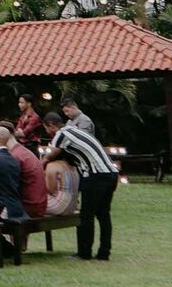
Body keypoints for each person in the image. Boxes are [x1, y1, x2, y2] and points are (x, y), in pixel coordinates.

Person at [44, 110, 118, 260]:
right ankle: (104, 252)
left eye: (46, 128)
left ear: (51, 125)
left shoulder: (62, 134)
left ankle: (84, 253)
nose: (47, 132)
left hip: (95, 175)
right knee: (103, 214)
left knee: (86, 215)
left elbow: (51, 155)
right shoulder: (74, 130)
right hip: (111, 173)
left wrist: (39, 164)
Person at [1, 121, 48, 220]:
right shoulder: (24, 151)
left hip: (29, 207)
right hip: (39, 204)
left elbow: (10, 189)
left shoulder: (14, 156)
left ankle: (14, 235)